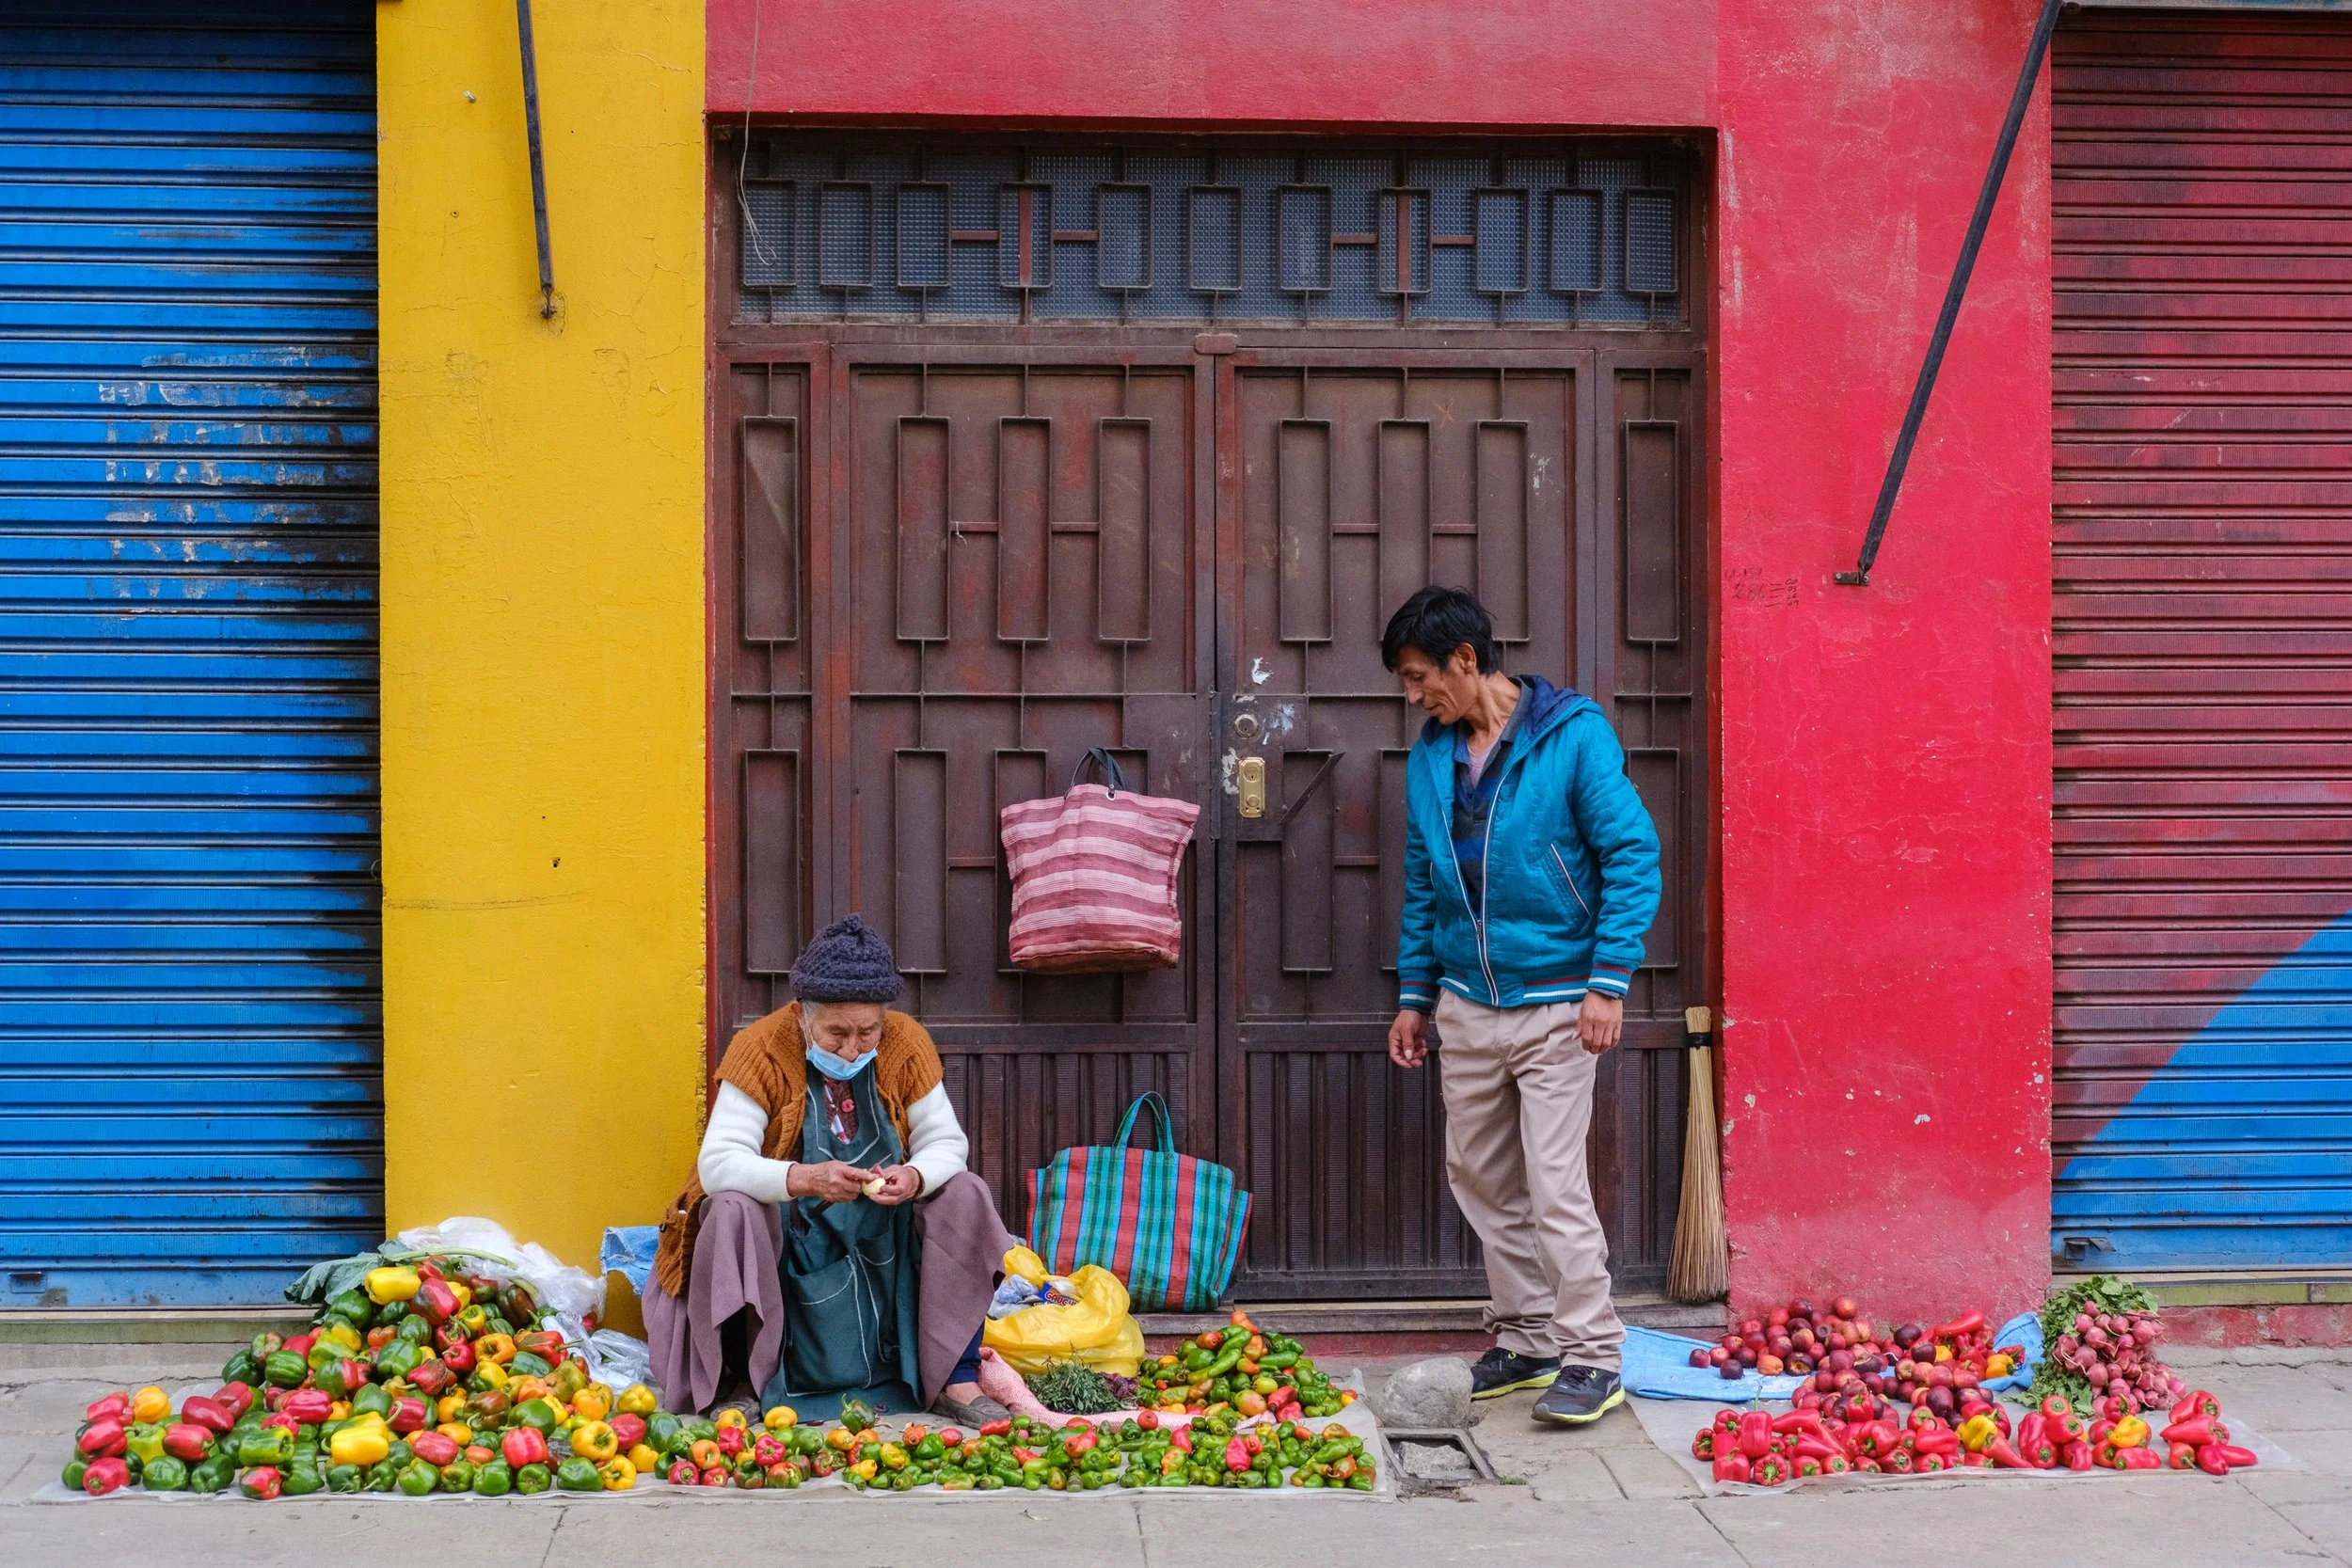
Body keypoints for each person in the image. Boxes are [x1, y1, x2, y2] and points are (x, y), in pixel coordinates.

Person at [1382, 586, 1661, 1426]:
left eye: (1419, 675)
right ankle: (1529, 1333)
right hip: (1467, 1005)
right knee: (1479, 1175)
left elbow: (1631, 854)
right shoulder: (1431, 758)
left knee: (1553, 1183)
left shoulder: (1573, 737)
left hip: (1557, 1005)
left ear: (1468, 661)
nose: (1413, 695)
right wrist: (1413, 996)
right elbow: (1423, 885)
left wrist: (1609, 981)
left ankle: (1593, 1353)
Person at [646, 914, 1017, 1424]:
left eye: (868, 1032)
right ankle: (743, 1382)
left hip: (881, 1230)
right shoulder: (759, 1049)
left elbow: (946, 1141)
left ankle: (957, 1376)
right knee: (730, 1208)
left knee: (965, 1192)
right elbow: (718, 1163)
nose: (852, 1048)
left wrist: (915, 1177)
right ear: (801, 1014)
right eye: (836, 1032)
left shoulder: (905, 1043)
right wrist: (802, 1178)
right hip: (789, 1233)